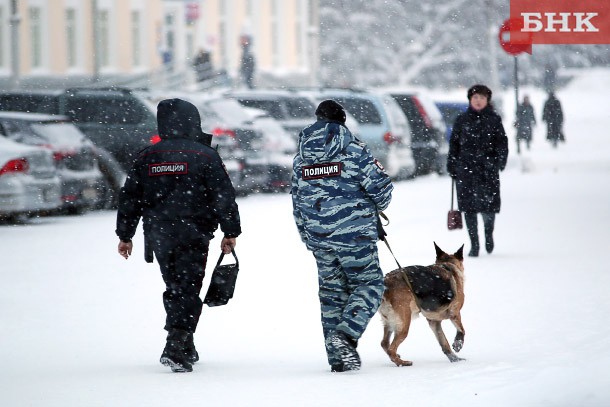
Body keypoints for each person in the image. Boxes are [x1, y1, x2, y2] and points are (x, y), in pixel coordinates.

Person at [115, 98, 241, 373]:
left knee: (176, 286)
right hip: (194, 233)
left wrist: (125, 234)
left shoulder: (148, 156)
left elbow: (130, 198)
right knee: (188, 288)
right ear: (192, 121)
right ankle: (176, 343)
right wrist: (230, 230)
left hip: (160, 234)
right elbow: (223, 196)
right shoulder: (205, 155)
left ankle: (185, 343)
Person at [291, 100, 394, 372]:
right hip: (355, 234)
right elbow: (382, 191)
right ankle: (346, 336)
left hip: (318, 236)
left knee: (331, 293)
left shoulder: (301, 157)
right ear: (343, 121)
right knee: (370, 284)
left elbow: (296, 198)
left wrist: (307, 235)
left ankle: (339, 360)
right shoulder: (354, 150)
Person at [447, 85, 508, 257]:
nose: (478, 101)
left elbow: (502, 143)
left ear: (487, 100)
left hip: (487, 170)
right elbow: (454, 145)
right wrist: (452, 164)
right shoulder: (461, 120)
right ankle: (474, 244)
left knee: (489, 208)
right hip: (466, 170)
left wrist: (499, 161)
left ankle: (488, 235)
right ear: (470, 100)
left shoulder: (494, 120)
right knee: (469, 208)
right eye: (475, 98)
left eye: (481, 98)